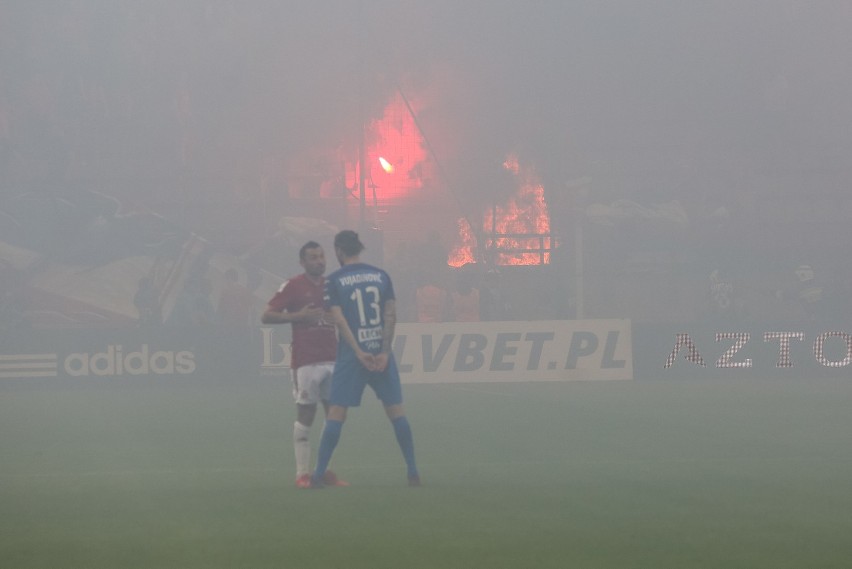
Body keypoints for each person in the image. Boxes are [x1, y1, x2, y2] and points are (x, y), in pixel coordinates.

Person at [311, 230, 420, 488]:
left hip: (353, 357)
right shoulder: (381, 275)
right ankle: (413, 471)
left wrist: (359, 352)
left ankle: (317, 476)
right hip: (382, 355)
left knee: (336, 413)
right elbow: (391, 314)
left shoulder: (335, 280)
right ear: (359, 249)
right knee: (396, 412)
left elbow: (339, 318)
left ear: (339, 250)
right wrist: (384, 351)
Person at [262, 241, 347, 488]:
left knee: (335, 416)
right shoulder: (293, 286)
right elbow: (266, 315)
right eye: (313, 257)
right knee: (306, 414)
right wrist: (297, 317)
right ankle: (302, 474)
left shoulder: (333, 286)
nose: (319, 261)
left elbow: (342, 316)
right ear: (303, 262)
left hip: (333, 358)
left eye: (321, 256)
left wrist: (338, 319)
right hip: (306, 361)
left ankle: (324, 471)